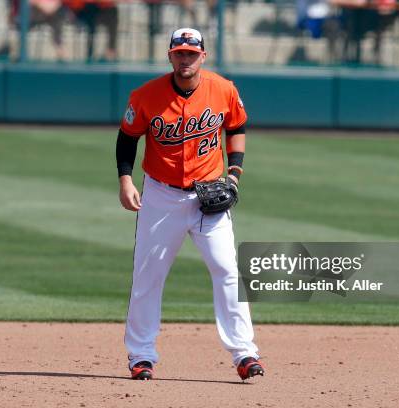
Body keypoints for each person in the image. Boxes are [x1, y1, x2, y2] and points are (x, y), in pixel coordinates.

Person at [115, 27, 264, 381]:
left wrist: (234, 175)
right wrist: (125, 180)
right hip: (161, 195)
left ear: (203, 56)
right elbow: (127, 138)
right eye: (179, 53)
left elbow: (238, 126)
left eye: (191, 53)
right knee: (148, 276)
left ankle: (245, 353)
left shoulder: (223, 89)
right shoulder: (146, 95)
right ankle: (141, 356)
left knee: (228, 270)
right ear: (170, 56)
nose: (186, 59)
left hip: (208, 195)